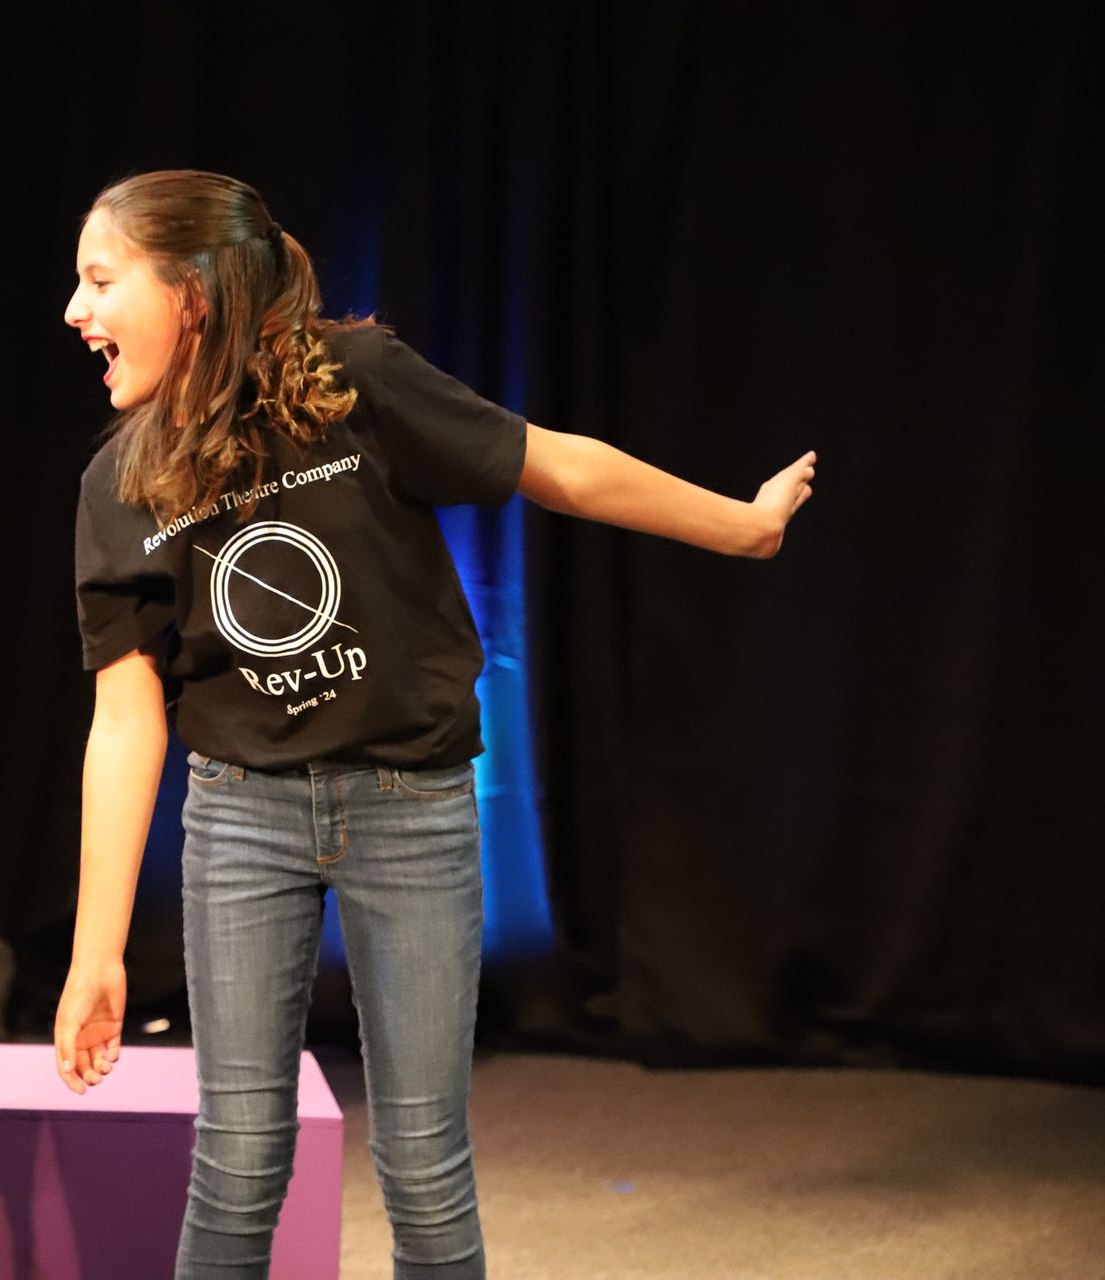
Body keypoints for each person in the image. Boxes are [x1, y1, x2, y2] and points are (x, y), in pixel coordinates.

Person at [53, 169, 815, 1279]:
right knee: (239, 1155)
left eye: (100, 279)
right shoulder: (116, 482)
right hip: (241, 817)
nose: (76, 310)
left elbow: (555, 464)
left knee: (421, 1157)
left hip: (410, 802)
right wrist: (96, 950)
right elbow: (125, 721)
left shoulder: (350, 382)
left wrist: (742, 527)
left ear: (196, 291)